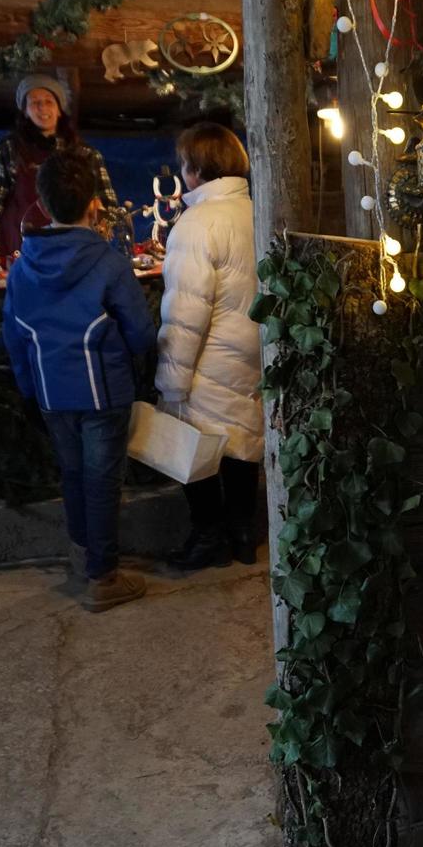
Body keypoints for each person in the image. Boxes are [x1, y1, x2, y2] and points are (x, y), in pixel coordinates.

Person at [2, 148, 157, 612]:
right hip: (103, 393)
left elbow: (15, 337)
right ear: (94, 203)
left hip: (51, 394)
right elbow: (142, 333)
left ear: (43, 206)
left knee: (73, 475)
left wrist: (30, 391)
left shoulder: (21, 268)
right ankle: (103, 577)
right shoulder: (109, 264)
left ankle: (81, 555)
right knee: (102, 481)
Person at [156, 123, 262, 570]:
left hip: (208, 361)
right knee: (243, 441)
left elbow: (186, 312)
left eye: (185, 164)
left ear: (197, 168)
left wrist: (171, 382)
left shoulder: (196, 223)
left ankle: (207, 537)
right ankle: (243, 536)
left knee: (195, 449)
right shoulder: (258, 210)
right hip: (252, 355)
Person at [0, 73, 117, 260]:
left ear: (59, 109)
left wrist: (101, 242)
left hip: (74, 251)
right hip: (20, 249)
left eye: (49, 101)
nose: (42, 107)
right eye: (34, 102)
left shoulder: (85, 154)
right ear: (25, 111)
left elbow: (107, 205)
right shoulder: (6, 148)